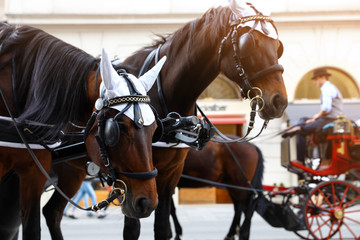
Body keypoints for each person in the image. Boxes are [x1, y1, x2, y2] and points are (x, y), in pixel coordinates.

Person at [283, 67, 343, 164]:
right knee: (303, 119)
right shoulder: (329, 87)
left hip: (329, 120)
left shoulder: (326, 88)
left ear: (322, 77)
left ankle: (300, 160)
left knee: (302, 131)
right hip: (327, 118)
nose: (315, 82)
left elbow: (326, 108)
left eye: (315, 79)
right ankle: (298, 127)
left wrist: (315, 118)